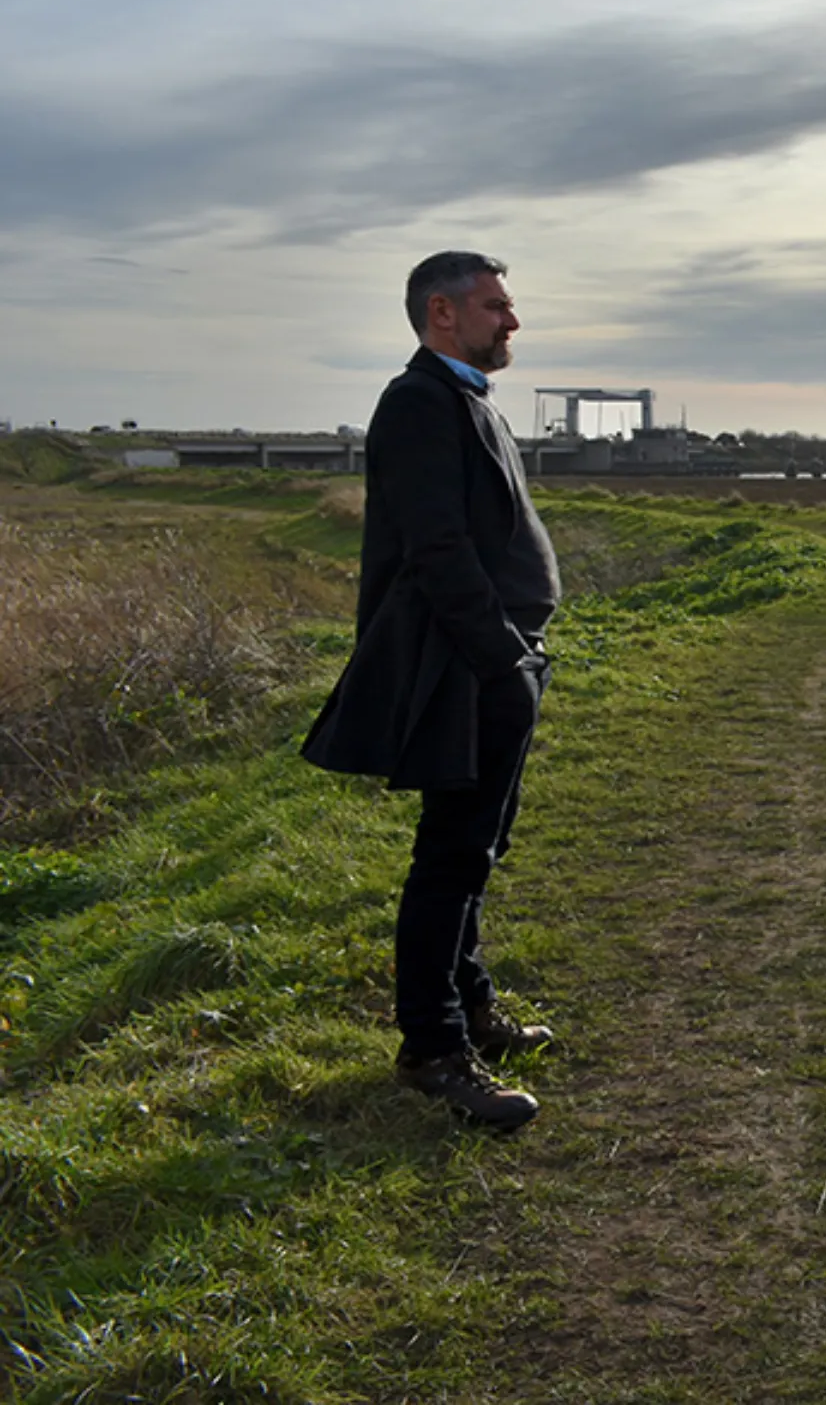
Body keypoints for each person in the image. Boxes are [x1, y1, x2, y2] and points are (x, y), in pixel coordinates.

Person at [302, 251, 560, 1129]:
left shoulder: (461, 399)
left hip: (492, 662)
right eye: (497, 306)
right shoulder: (417, 404)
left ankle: (471, 1006)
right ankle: (433, 1048)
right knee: (449, 859)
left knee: (473, 852)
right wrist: (498, 658)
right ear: (442, 313)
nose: (512, 320)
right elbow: (438, 550)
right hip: (464, 667)